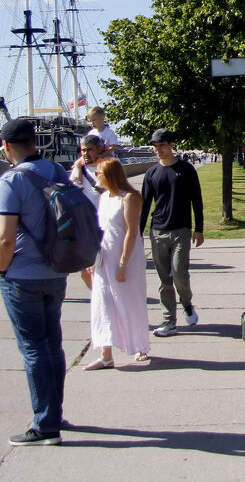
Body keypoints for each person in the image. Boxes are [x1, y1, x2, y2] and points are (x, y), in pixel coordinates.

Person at [0, 118, 70, 447]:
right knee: (52, 343)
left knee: (33, 348)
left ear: (7, 147)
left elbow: (6, 238)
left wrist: (1, 270)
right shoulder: (56, 171)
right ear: (34, 142)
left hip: (22, 275)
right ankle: (55, 412)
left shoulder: (12, 180)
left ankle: (45, 425)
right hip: (56, 271)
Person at [84, 158, 150, 370]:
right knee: (103, 302)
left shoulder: (129, 197)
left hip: (126, 257)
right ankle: (106, 354)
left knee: (130, 300)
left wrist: (123, 263)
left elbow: (131, 232)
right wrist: (93, 258)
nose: (96, 177)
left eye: (99, 174)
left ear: (110, 176)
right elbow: (100, 229)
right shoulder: (104, 197)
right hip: (104, 256)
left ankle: (140, 344)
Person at [140, 128, 204, 338]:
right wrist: (138, 233)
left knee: (179, 274)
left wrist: (199, 229)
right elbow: (145, 205)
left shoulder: (186, 169)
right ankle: (169, 322)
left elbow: (197, 199)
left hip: (181, 231)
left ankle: (186, 303)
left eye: (162, 145)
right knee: (164, 281)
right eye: (155, 146)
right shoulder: (151, 173)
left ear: (171, 145)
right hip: (157, 231)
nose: (158, 150)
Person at [69, 134, 105, 289]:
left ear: (99, 149)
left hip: (104, 226)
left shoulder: (108, 167)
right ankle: (97, 294)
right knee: (85, 271)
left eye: (89, 150)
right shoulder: (78, 170)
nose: (85, 154)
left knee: (103, 267)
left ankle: (105, 297)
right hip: (84, 227)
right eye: (83, 150)